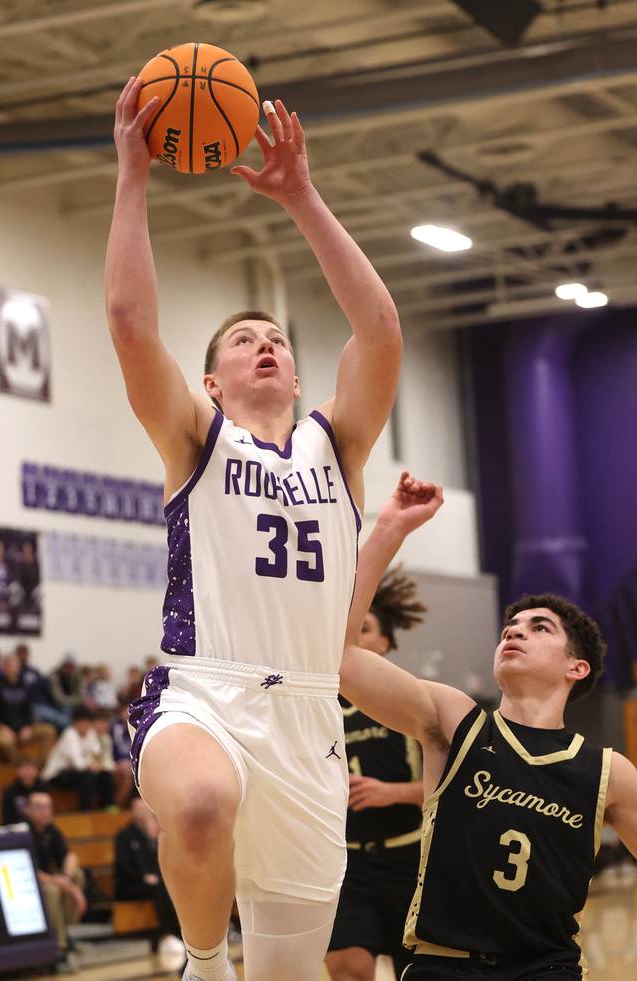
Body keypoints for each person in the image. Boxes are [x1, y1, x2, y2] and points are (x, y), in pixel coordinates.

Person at [107, 76, 401, 981]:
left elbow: (380, 329)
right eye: (243, 341)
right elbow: (129, 324)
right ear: (212, 383)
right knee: (197, 805)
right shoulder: (195, 435)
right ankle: (203, 962)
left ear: (300, 379)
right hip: (206, 689)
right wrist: (132, 175)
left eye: (277, 339)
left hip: (309, 718)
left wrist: (301, 196)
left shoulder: (337, 444)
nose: (265, 344)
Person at [340, 473, 637, 980]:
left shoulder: (607, 773)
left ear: (576, 667)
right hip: (443, 966)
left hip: (545, 969)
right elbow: (342, 656)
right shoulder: (455, 722)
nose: (515, 632)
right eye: (510, 628)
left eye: (540, 628)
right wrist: (390, 529)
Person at [326, 567, 426, 981]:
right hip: (346, 863)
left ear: (384, 642)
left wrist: (393, 793)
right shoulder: (318, 709)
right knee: (347, 969)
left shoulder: (415, 702)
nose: (350, 637)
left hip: (410, 860)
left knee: (419, 973)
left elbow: (456, 785)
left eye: (363, 629)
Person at [23, 792, 87, 968]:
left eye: (48, 807)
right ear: (28, 810)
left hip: (49, 879)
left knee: (77, 874)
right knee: (52, 891)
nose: (45, 812)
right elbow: (27, 870)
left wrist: (66, 878)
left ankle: (66, 929)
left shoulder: (51, 830)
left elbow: (70, 856)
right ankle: (59, 946)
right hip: (26, 884)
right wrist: (63, 884)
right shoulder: (23, 831)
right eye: (39, 807)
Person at [115, 797, 182, 939]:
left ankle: (180, 931)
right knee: (160, 889)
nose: (142, 813)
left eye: (144, 810)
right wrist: (143, 877)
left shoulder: (151, 835)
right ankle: (167, 932)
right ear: (132, 812)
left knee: (171, 886)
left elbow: (159, 860)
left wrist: (154, 839)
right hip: (131, 884)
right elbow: (123, 865)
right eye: (138, 810)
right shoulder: (123, 836)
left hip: (153, 880)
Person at [0, 652, 56, 763]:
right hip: (1, 729)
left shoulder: (25, 687)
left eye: (15, 665)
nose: (12, 668)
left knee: (49, 731)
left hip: (22, 728)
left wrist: (28, 726)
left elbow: (29, 711)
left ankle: (43, 764)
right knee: (5, 741)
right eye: (9, 665)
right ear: (3, 668)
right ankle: (23, 763)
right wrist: (1, 727)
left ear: (19, 668)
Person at [42, 706, 115, 811]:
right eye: (83, 723)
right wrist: (93, 765)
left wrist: (98, 765)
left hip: (75, 773)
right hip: (56, 775)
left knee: (105, 774)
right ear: (76, 723)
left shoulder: (89, 734)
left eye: (88, 723)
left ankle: (108, 807)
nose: (86, 726)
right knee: (87, 777)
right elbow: (78, 764)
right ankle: (85, 811)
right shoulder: (69, 735)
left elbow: (97, 755)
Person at [1, 756, 49, 826]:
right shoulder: (9, 791)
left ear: (37, 771)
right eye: (24, 770)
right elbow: (7, 818)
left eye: (30, 769)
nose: (27, 773)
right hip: (17, 827)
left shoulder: (43, 788)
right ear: (18, 771)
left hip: (39, 826)